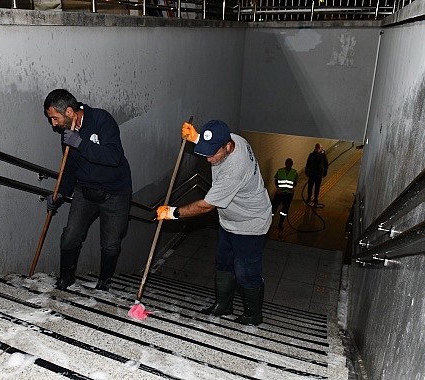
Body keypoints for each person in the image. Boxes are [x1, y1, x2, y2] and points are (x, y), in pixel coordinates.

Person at [156, 120, 271, 326]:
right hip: (229, 220)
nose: (208, 159)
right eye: (206, 152)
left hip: (250, 223)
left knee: (246, 272)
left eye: (213, 154)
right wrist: (197, 138)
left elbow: (206, 206)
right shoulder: (234, 139)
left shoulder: (235, 169)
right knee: (224, 263)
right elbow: (213, 145)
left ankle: (254, 315)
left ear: (228, 147)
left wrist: (173, 213)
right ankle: (223, 305)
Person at [43, 89, 132, 292]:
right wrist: (59, 194)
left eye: (55, 118)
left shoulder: (101, 119)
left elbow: (113, 156)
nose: (54, 124)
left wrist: (81, 144)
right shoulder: (67, 134)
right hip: (86, 190)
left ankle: (104, 282)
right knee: (70, 235)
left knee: (110, 243)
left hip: (115, 192)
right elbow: (70, 169)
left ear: (69, 112)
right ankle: (66, 278)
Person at [271, 158, 298, 229]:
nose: (288, 164)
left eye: (290, 163)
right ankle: (269, 221)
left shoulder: (294, 172)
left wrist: (293, 188)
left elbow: (295, 182)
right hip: (280, 192)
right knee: (273, 208)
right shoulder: (280, 171)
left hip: (288, 193)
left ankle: (280, 223)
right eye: (288, 163)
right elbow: (276, 180)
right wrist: (278, 188)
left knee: (285, 209)